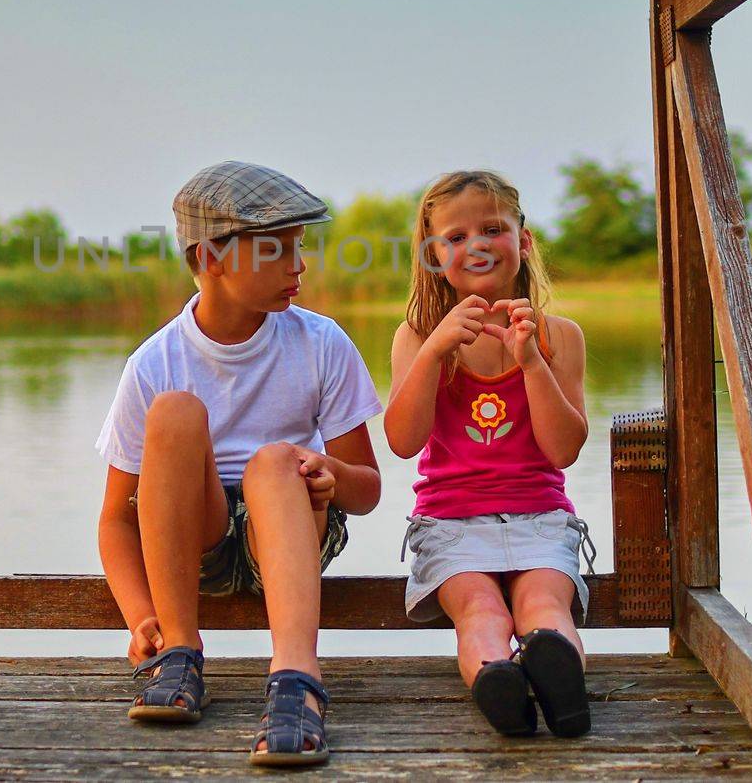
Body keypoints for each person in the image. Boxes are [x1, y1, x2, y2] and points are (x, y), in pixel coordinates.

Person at [95, 160, 383, 767]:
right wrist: (139, 615)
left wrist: (331, 475)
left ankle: (296, 678)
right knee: (174, 414)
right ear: (208, 259)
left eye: (298, 247)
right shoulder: (155, 363)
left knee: (274, 460)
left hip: (290, 532)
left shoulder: (321, 342)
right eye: (275, 250)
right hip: (191, 549)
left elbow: (368, 489)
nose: (298, 265)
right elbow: (118, 519)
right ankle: (179, 653)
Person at [384, 169, 595, 738]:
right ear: (434, 256)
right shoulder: (417, 335)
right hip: (450, 524)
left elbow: (563, 450)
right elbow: (403, 442)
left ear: (523, 241)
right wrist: (433, 354)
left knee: (543, 606)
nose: (474, 245)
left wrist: (532, 363)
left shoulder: (560, 337)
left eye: (492, 229)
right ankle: (500, 681)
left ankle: (553, 677)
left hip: (539, 516)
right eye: (454, 238)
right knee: (481, 609)